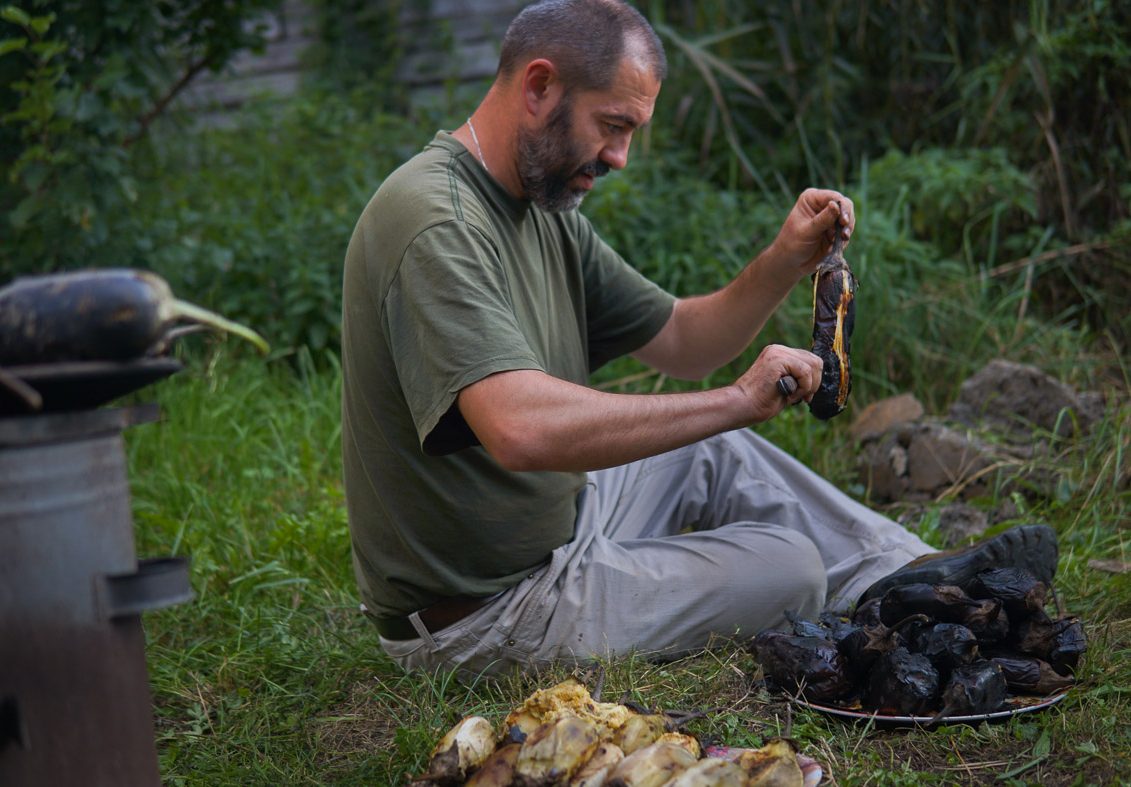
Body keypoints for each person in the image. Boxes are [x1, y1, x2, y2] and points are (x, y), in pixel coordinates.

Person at [340, 0, 1057, 677]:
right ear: (539, 87)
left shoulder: (540, 208)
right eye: (612, 125)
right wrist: (738, 399)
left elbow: (685, 340)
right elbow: (520, 429)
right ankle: (900, 600)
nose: (620, 156)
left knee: (715, 449)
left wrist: (784, 261)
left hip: (565, 519)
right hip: (491, 611)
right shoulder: (437, 221)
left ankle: (916, 575)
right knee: (794, 568)